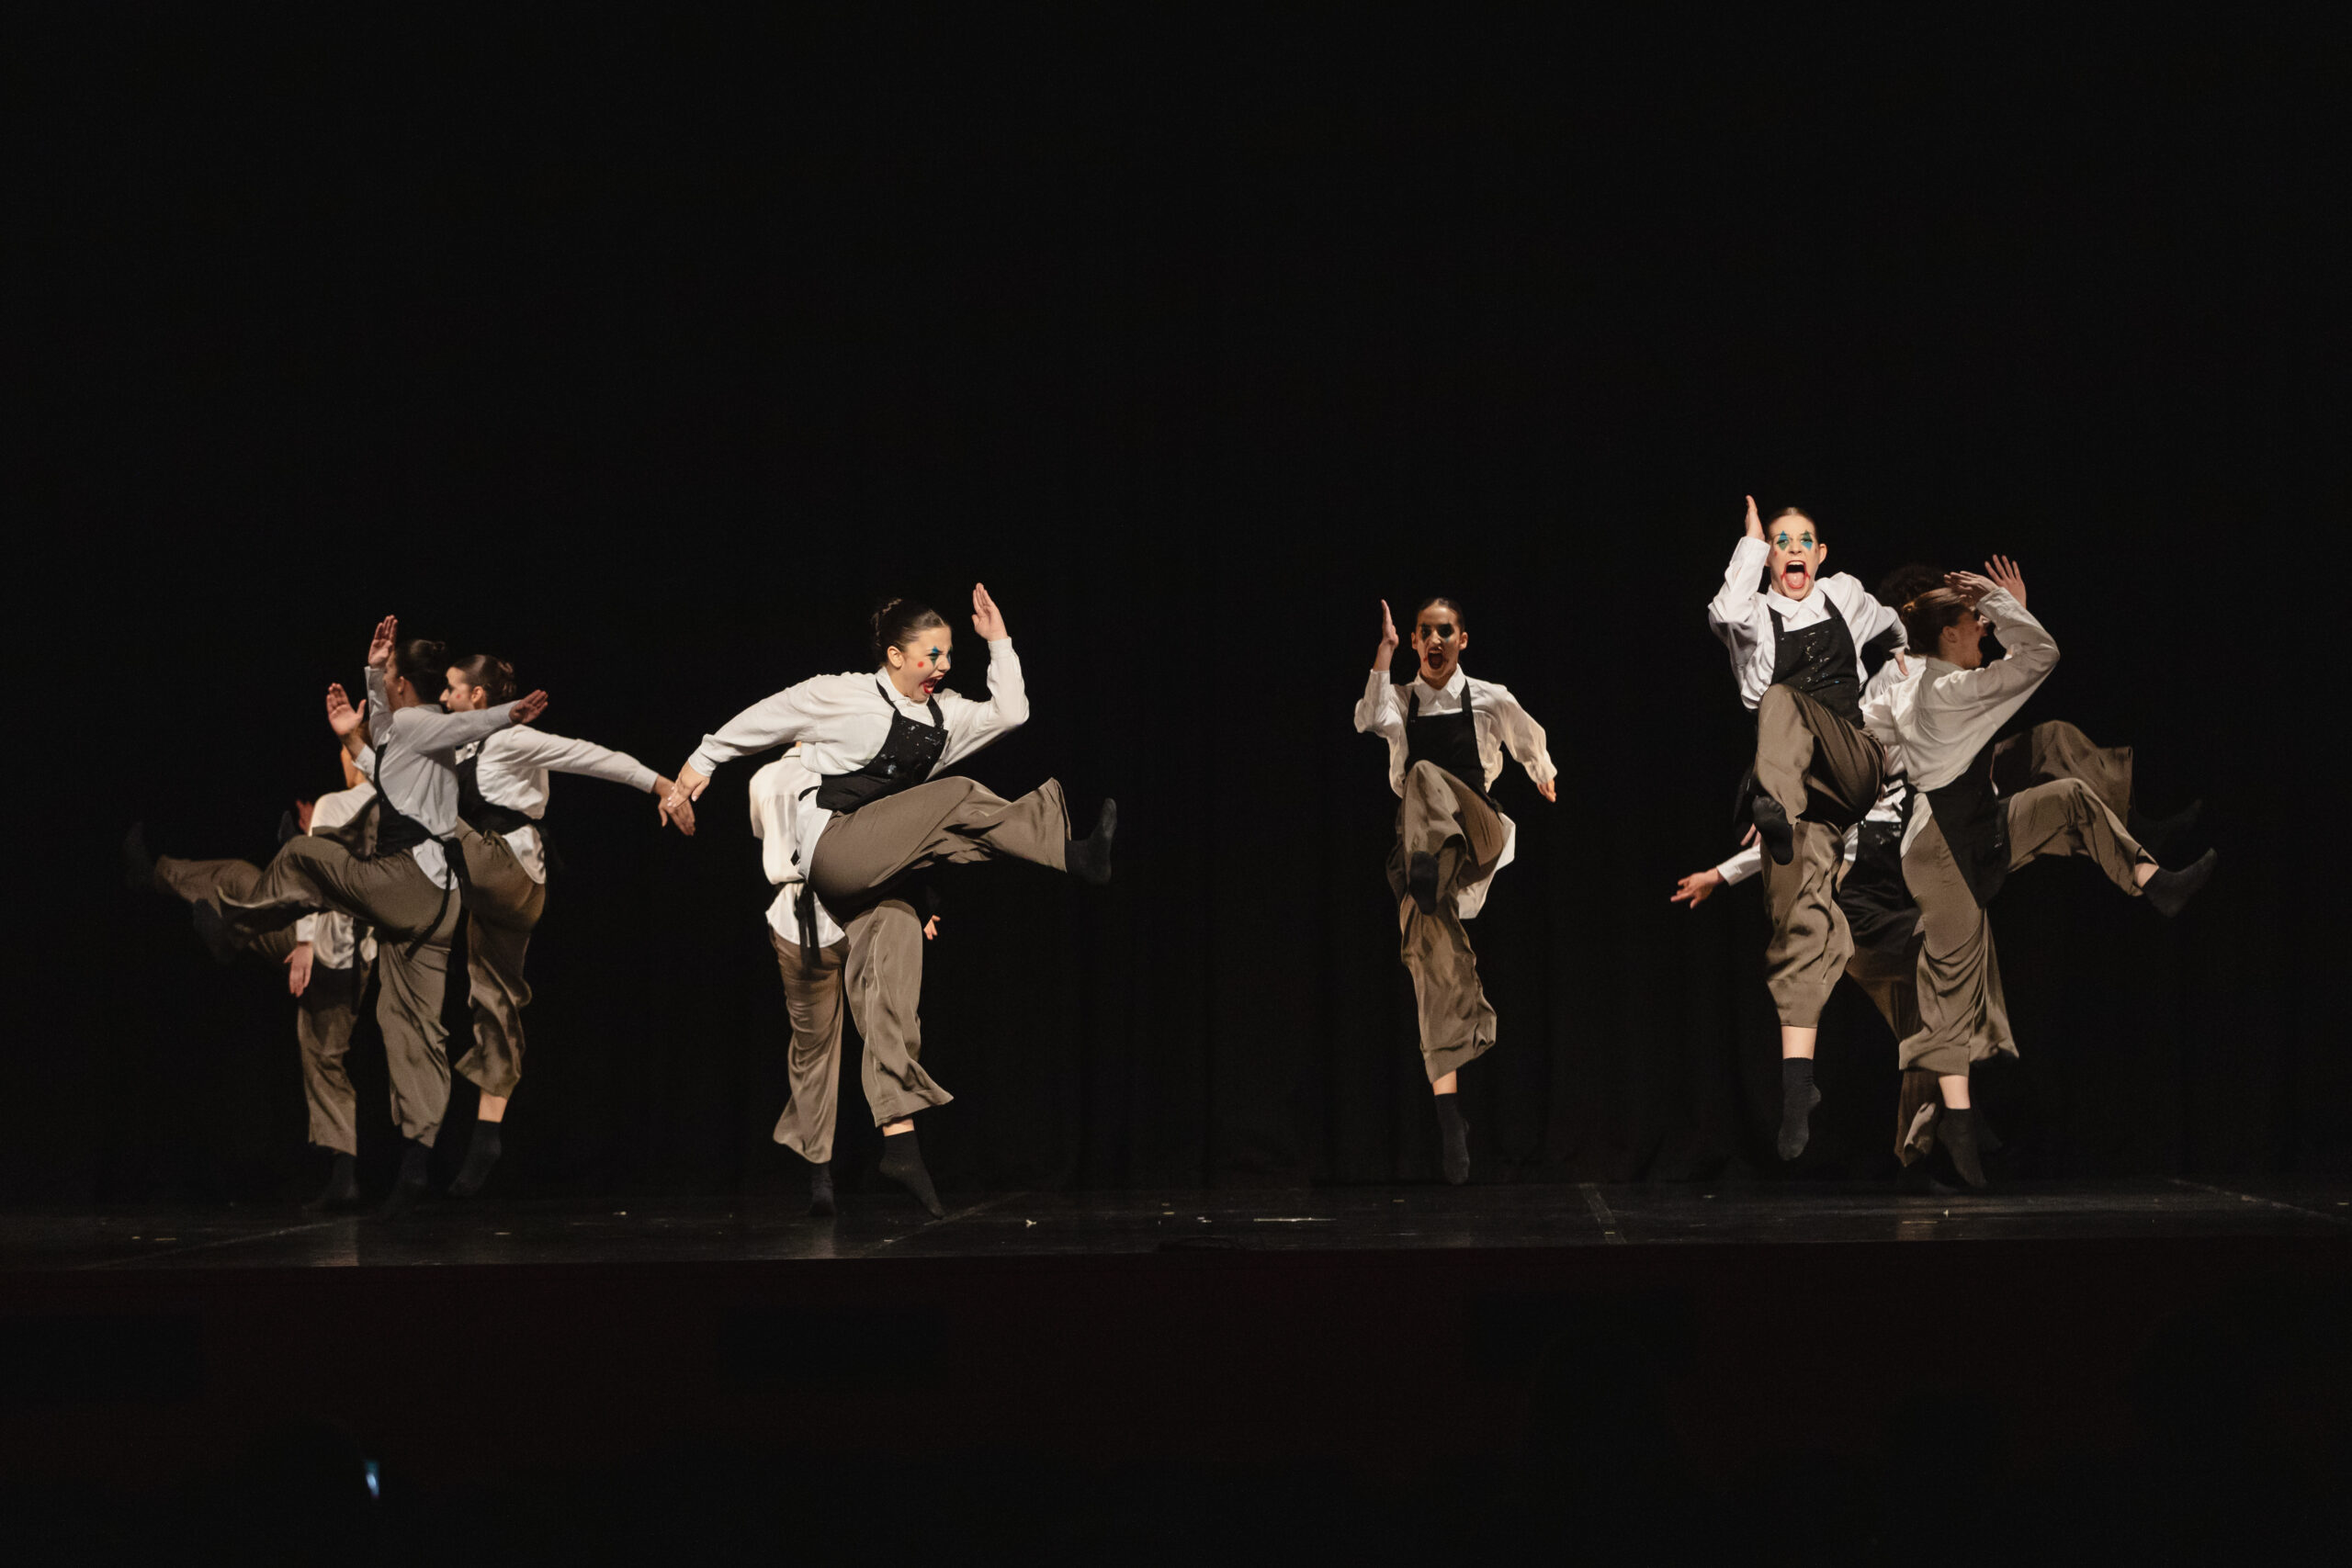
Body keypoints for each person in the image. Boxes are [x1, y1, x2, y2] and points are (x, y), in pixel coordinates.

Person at [660, 584, 1114, 1215]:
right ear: (896, 656)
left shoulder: (945, 717)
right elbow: (764, 718)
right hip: (827, 865)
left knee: (897, 967)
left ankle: (900, 1143)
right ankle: (1066, 851)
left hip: (872, 883)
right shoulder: (839, 701)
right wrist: (700, 764)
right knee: (956, 797)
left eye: (949, 654)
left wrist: (999, 642)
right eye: (932, 654)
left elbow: (1011, 714)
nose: (944, 665)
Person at [1865, 558, 2218, 1187]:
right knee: (1951, 996)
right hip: (1939, 850)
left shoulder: (1933, 681)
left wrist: (2001, 612)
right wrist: (2003, 605)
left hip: (1977, 825)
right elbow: (2040, 656)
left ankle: (2153, 879)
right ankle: (1956, 1125)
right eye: (1971, 619)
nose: (1980, 626)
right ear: (1945, 631)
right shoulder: (1937, 687)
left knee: (2069, 798)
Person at [214, 616, 549, 1215]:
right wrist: (364, 701)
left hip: (417, 881)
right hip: (442, 904)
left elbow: (437, 732)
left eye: (390, 678)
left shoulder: (428, 725)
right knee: (412, 1028)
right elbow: (387, 762)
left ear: (403, 685)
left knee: (304, 853)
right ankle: (415, 1170)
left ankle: (237, 925)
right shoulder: (416, 735)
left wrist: (503, 713)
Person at [1705, 497, 1906, 1161]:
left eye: (1803, 541)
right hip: (1805, 800)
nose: (1793, 550)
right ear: (1769, 558)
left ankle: (1773, 810)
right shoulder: (1753, 619)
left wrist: (1901, 654)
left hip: (1851, 762)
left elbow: (1892, 622)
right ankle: (1798, 1094)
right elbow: (1724, 612)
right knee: (1798, 927)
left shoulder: (1843, 595)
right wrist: (1749, 544)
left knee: (1782, 702)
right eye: (1781, 542)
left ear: (1820, 555)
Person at [435, 652, 677, 1198]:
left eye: (451, 688)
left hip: (507, 870)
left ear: (478, 696)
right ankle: (486, 1136)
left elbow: (589, 756)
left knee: (420, 799)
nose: (444, 698)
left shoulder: (511, 740)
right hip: (500, 892)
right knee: (493, 1005)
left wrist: (661, 785)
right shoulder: (464, 744)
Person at [1352, 596, 1556, 1184]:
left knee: (1423, 774)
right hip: (1422, 852)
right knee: (1428, 964)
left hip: (1476, 831)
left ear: (1462, 639)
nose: (1435, 640)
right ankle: (1450, 1120)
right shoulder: (1401, 700)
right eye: (1425, 633)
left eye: (1445, 631)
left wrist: (1542, 771)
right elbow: (1368, 718)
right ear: (1415, 642)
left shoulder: (1488, 696)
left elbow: (1526, 734)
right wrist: (1384, 653)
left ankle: (1426, 870)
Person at [124, 748, 380, 1210]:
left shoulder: (338, 805)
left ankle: (167, 885)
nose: (343, 759)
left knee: (238, 878)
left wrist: (305, 941)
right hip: (356, 965)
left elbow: (313, 885)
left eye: (346, 751)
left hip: (320, 947)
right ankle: (345, 1176)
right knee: (325, 1062)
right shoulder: (391, 809)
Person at [748, 747, 944, 1216]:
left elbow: (767, 833)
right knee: (884, 1023)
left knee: (813, 1050)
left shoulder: (761, 779)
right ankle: (899, 1143)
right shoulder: (844, 770)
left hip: (792, 923)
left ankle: (820, 1174)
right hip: (848, 910)